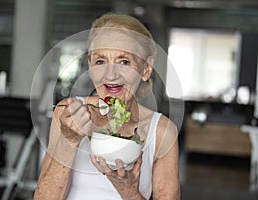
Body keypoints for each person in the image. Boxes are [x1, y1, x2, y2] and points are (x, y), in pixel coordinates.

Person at [34, 13, 180, 200]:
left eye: (124, 61)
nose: (111, 75)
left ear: (146, 69)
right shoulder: (68, 113)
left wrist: (129, 192)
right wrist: (69, 140)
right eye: (100, 61)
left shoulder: (162, 132)